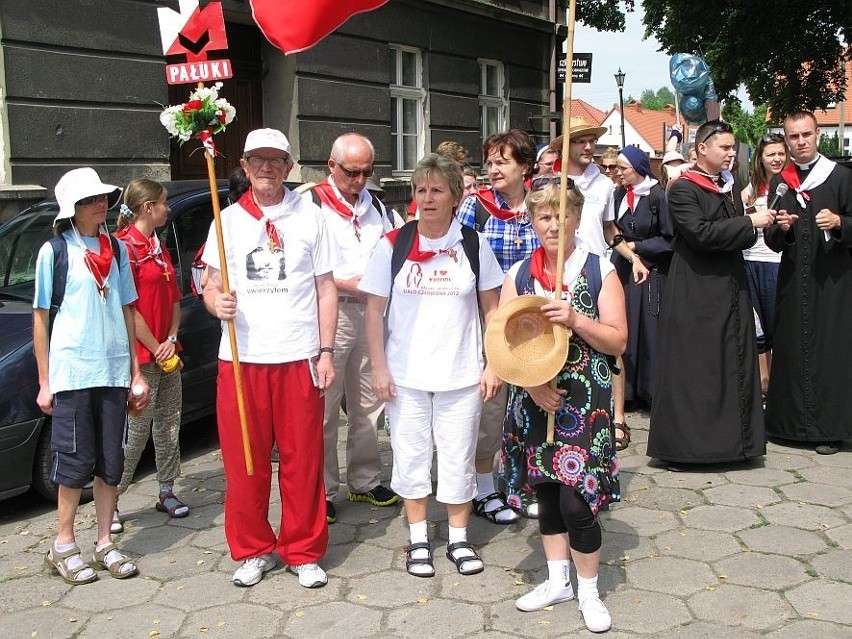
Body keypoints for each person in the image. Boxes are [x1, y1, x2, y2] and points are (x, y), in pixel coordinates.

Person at [202, 128, 338, 588]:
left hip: (298, 357)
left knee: (303, 461)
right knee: (245, 462)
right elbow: (210, 283)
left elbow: (325, 289)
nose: (265, 167)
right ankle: (253, 548)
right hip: (242, 360)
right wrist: (214, 300)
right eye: (256, 159)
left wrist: (325, 351)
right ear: (243, 167)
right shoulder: (226, 221)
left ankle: (301, 549)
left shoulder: (311, 217)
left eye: (275, 160)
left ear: (288, 167)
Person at [360, 153, 504, 577]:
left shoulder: (474, 245)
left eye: (437, 190)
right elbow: (373, 313)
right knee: (410, 457)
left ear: (456, 197)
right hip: (405, 377)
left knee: (459, 458)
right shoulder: (393, 245)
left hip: (461, 376)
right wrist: (379, 369)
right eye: (421, 190)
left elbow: (492, 313)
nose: (427, 198)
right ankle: (418, 538)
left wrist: (492, 365)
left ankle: (459, 540)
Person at [502, 179, 625, 633]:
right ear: (532, 221)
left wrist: (574, 318)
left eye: (561, 214)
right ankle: (558, 582)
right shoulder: (518, 273)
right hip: (534, 398)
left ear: (576, 217)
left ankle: (589, 590)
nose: (553, 224)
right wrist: (532, 385)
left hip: (585, 401)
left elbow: (618, 339)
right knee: (548, 495)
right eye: (544, 216)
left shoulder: (599, 270)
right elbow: (502, 343)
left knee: (577, 501)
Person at [34, 167, 148, 585]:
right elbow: (41, 318)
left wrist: (137, 371)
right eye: (89, 200)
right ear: (73, 209)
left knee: (110, 462)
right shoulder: (55, 252)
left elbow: (127, 309)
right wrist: (45, 381)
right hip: (73, 373)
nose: (101, 204)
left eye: (102, 198)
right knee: (73, 462)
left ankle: (104, 543)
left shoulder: (116, 250)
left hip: (113, 370)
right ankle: (63, 544)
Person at [648, 120, 772, 465]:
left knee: (730, 360)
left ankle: (735, 445)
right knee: (697, 367)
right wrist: (749, 223)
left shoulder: (727, 186)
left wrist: (753, 222)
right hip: (695, 289)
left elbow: (732, 232)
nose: (732, 154)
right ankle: (690, 448)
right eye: (725, 147)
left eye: (733, 148)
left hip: (729, 285)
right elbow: (700, 233)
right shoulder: (683, 188)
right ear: (702, 149)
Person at [306, 133, 399, 526]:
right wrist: (347, 284)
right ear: (332, 166)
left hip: (371, 315)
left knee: (368, 403)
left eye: (366, 172)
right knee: (324, 406)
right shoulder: (309, 204)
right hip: (329, 313)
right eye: (351, 172)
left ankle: (364, 479)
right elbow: (304, 264)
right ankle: (323, 490)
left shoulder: (376, 205)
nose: (360, 180)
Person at [457, 128, 539, 523]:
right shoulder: (476, 207)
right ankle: (484, 488)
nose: (492, 169)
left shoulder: (542, 203)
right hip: (488, 316)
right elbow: (458, 258)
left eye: (501, 162)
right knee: (491, 403)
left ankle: (527, 481)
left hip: (533, 320)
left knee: (532, 400)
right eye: (489, 162)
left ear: (525, 166)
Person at [764, 110, 852, 455]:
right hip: (793, 279)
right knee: (791, 348)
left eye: (806, 135)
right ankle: (789, 425)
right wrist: (781, 230)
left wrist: (840, 222)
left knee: (829, 351)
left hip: (832, 281)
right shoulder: (780, 182)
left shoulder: (841, 177)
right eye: (793, 137)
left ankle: (829, 428)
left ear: (817, 136)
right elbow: (770, 238)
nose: (800, 143)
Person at [113, 179, 187, 534]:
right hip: (141, 356)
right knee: (136, 431)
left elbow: (174, 297)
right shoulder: (125, 248)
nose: (168, 208)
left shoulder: (160, 246)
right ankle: (110, 499)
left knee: (170, 423)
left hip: (167, 351)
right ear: (148, 208)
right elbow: (128, 307)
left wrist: (171, 338)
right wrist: (155, 344)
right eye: (163, 203)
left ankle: (167, 490)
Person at [609, 147, 673, 450]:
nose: (619, 172)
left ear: (638, 167)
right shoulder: (620, 196)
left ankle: (650, 391)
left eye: (623, 167)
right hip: (623, 268)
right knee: (626, 328)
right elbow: (613, 230)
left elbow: (669, 239)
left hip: (650, 271)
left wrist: (639, 248)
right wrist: (625, 249)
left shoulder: (658, 196)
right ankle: (629, 392)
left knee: (649, 329)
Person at [741, 133, 787, 397]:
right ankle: (763, 385)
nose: (776, 158)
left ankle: (781, 388)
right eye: (771, 154)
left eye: (781, 153)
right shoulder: (750, 189)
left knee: (776, 327)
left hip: (776, 263)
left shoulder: (792, 186)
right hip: (750, 262)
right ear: (761, 158)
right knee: (757, 330)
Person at [550, 117, 618, 259]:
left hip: (596, 268)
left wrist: (633, 257)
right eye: (581, 142)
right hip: (561, 268)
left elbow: (608, 229)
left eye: (592, 141)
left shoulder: (604, 184)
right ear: (565, 145)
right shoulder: (551, 184)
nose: (588, 147)